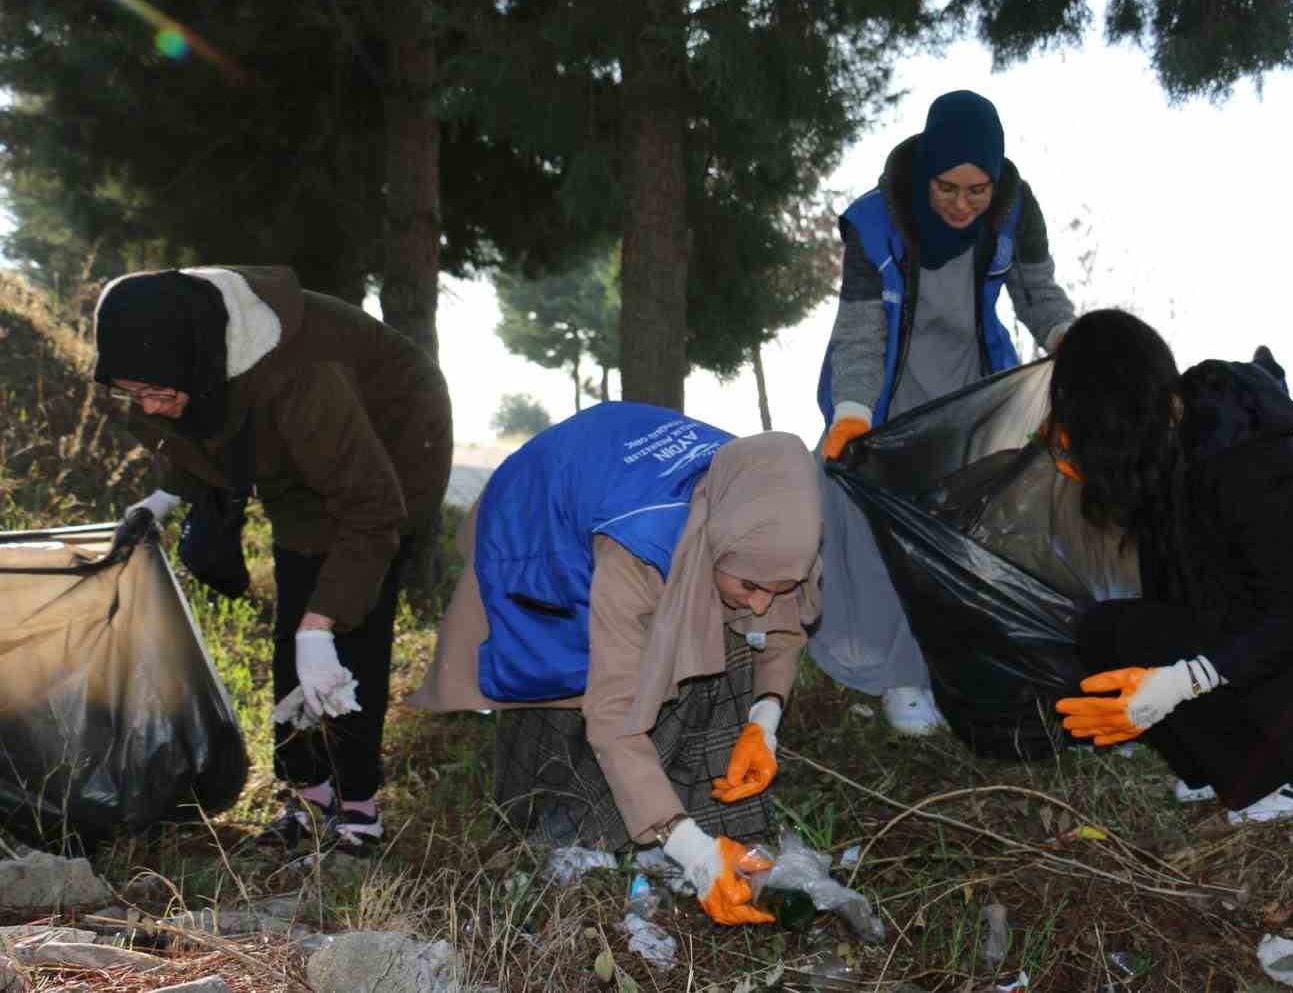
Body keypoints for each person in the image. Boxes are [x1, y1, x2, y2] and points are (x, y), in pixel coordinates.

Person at [408, 402, 822, 927]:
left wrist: (764, 723)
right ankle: (583, 830)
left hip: (624, 488)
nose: (763, 603)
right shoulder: (638, 551)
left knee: (730, 642)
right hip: (541, 525)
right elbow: (613, 717)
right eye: (751, 586)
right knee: (571, 681)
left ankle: (683, 820)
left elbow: (779, 629)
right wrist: (692, 852)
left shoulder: (765, 504)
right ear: (711, 548)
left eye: (778, 588)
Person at [94, 266, 452, 857]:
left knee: (346, 636)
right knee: (295, 614)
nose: (149, 408)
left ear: (197, 364)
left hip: (392, 445)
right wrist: (165, 496)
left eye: (158, 392)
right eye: (135, 394)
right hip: (299, 450)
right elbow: (212, 427)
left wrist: (323, 623)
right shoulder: (193, 356)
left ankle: (358, 811)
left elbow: (372, 508)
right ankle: (307, 797)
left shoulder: (302, 375)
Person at [1048, 310, 1293, 823]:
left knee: (1169, 648)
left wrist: (1181, 682)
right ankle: (1240, 770)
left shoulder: (1246, 457)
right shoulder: (1176, 450)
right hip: (1286, 639)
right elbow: (1177, 598)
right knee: (1110, 631)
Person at [810, 89, 1075, 735]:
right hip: (886, 398)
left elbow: (1038, 296)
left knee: (965, 535)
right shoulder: (876, 221)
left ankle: (955, 671)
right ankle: (895, 677)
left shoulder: (1014, 209)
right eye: (948, 188)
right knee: (879, 530)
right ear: (926, 172)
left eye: (977, 189)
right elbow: (861, 335)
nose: (963, 205)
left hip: (971, 393)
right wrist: (851, 413)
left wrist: (1075, 344)